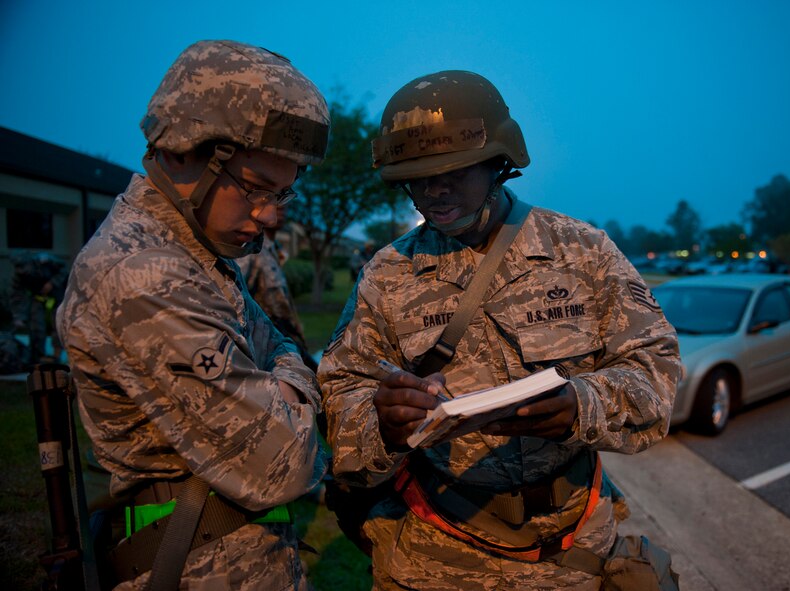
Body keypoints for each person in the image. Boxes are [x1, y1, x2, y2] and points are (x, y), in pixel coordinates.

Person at [319, 71, 681, 590]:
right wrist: (383, 423)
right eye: (417, 179)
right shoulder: (387, 275)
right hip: (436, 555)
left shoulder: (582, 252)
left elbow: (655, 370)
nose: (434, 191)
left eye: (453, 172)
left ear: (499, 163)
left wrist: (582, 405)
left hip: (571, 549)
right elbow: (341, 398)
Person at [56, 40, 330, 590]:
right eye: (255, 189)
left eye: (283, 194)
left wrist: (282, 382)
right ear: (182, 151)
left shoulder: (195, 254)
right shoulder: (145, 275)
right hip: (191, 566)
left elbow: (280, 345)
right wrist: (296, 386)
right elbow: (284, 462)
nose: (270, 216)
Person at [238, 203, 318, 372]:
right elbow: (235, 297)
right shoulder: (251, 250)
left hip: (288, 346)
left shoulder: (274, 249)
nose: (281, 210)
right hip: (267, 356)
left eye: (284, 206)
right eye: (275, 204)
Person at [10, 251, 68, 366]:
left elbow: (64, 269)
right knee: (36, 325)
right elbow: (17, 296)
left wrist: (52, 283)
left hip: (57, 295)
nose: (22, 270)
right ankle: (38, 356)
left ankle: (56, 355)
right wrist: (18, 317)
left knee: (57, 325)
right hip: (38, 297)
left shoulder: (44, 261)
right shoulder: (19, 276)